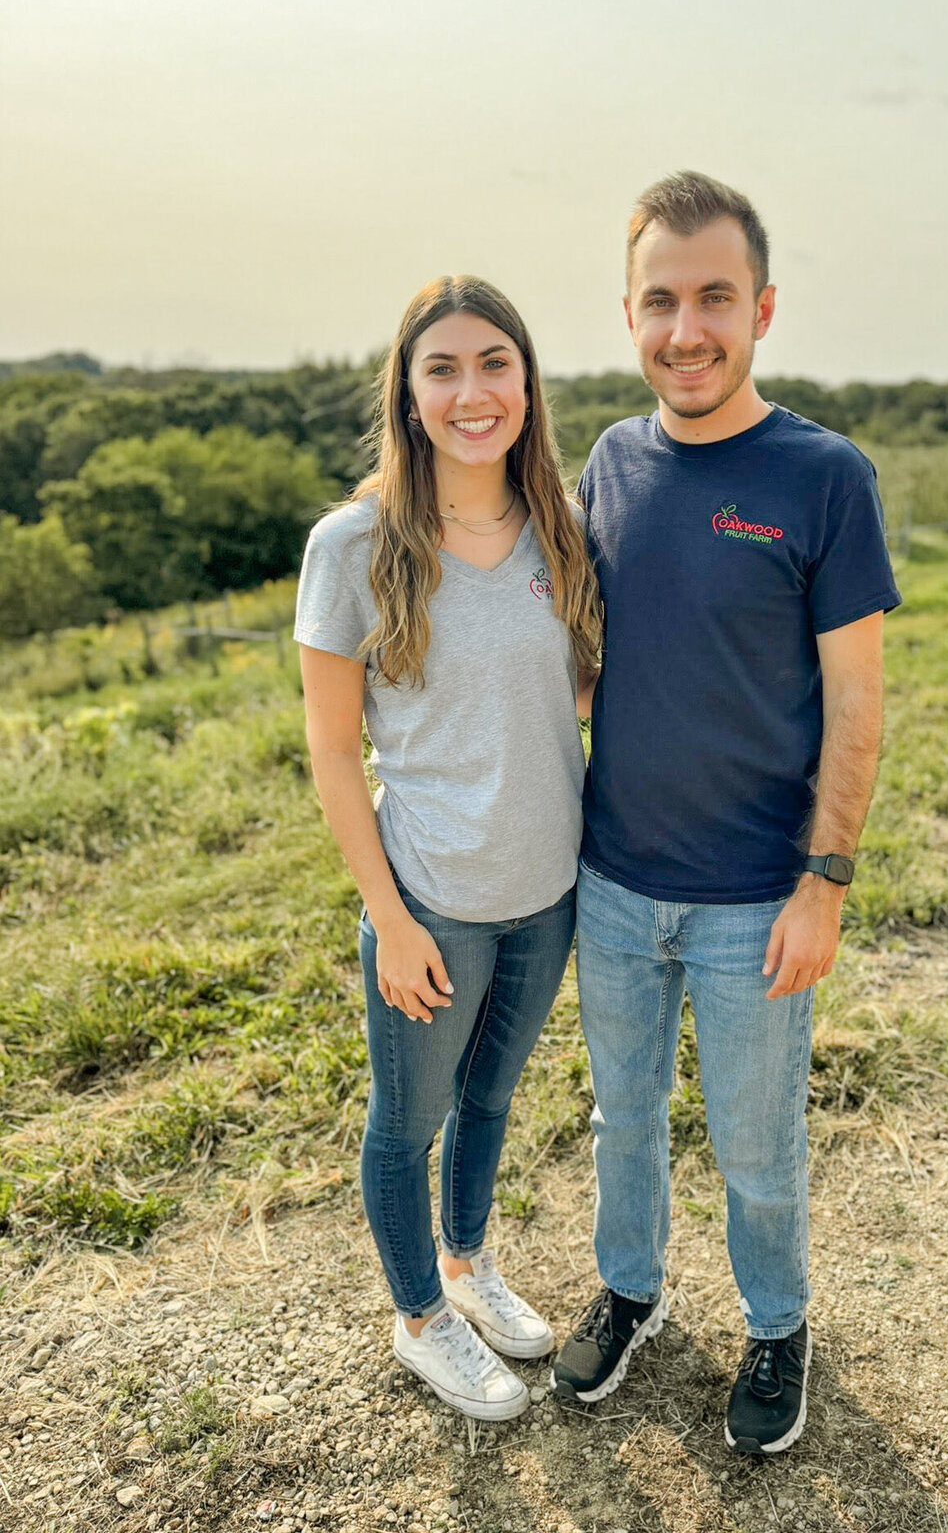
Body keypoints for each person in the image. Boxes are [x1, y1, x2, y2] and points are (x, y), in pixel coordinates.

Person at [552, 172, 901, 1454]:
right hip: (614, 878)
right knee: (623, 1114)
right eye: (660, 300)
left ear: (760, 309)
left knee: (757, 1141)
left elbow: (857, 705)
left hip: (758, 894)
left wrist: (826, 880)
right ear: (629, 314)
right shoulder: (611, 459)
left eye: (712, 298)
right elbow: (591, 656)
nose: (685, 328)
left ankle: (776, 1322)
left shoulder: (822, 477)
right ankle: (633, 1290)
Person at [294, 276, 600, 1423]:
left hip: (550, 893)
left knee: (493, 1099)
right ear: (409, 394)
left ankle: (468, 1265)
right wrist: (393, 914)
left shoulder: (561, 525)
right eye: (444, 369)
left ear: (525, 382)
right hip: (432, 900)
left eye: (494, 365)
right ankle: (420, 1315)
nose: (473, 392)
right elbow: (332, 754)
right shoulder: (354, 544)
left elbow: (572, 693)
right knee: (407, 1123)